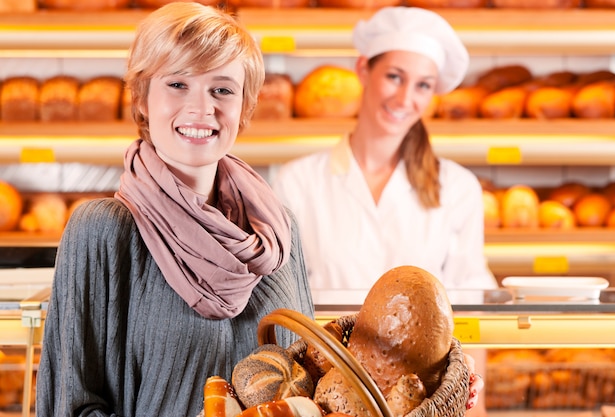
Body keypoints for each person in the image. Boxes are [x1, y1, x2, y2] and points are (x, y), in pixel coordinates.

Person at [35, 3, 314, 416]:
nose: (202, 109)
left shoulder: (276, 228)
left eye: (222, 89)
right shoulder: (104, 231)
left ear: (244, 107)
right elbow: (72, 406)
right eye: (178, 84)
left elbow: (310, 384)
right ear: (142, 98)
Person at [271, 6, 497, 415]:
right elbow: (284, 303)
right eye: (395, 76)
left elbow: (471, 303)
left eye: (423, 85)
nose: (405, 98)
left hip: (421, 400)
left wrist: (469, 396)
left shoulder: (458, 188)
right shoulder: (296, 182)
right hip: (326, 397)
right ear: (363, 69)